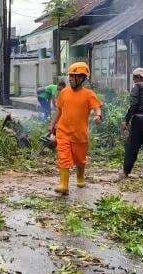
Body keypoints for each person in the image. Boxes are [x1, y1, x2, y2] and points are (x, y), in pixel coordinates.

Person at [49, 62, 102, 195]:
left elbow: (97, 107)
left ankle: (80, 177)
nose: (72, 78)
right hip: (63, 132)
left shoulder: (89, 94)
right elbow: (59, 111)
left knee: (80, 160)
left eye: (75, 76)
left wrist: (98, 116)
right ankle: (64, 185)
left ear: (83, 78)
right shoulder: (64, 92)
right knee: (63, 157)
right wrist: (53, 125)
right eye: (71, 76)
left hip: (80, 134)